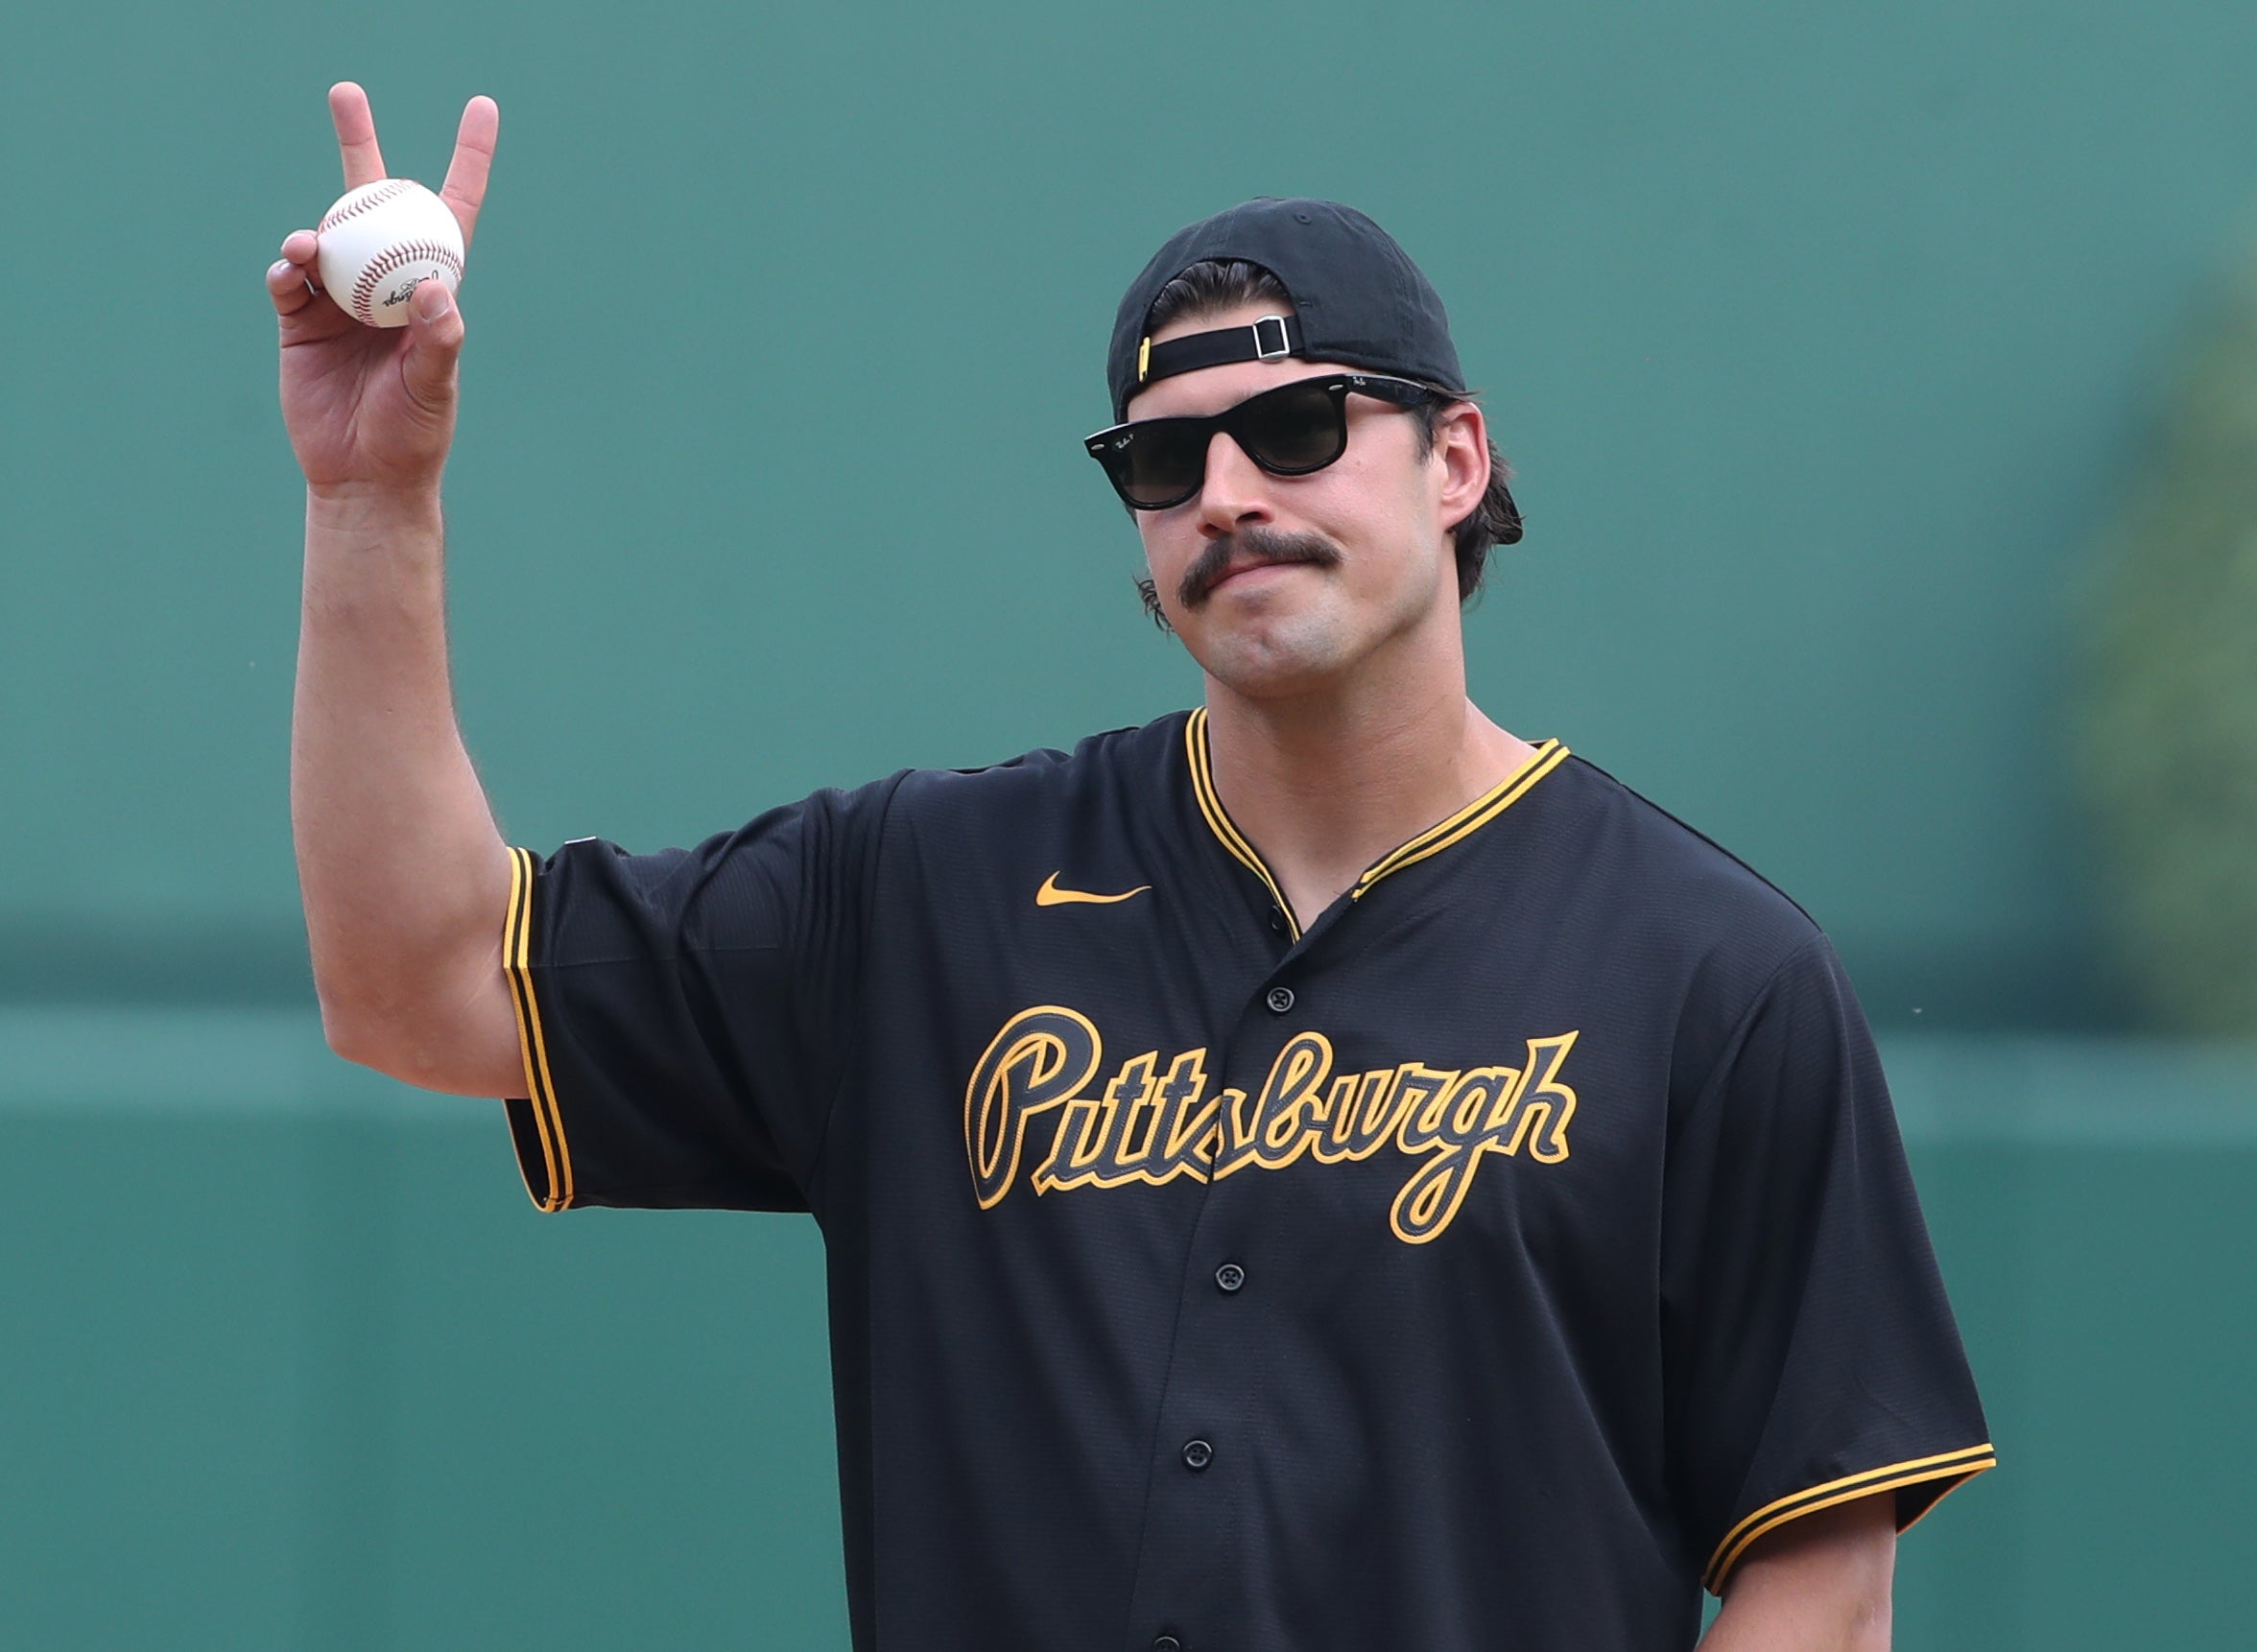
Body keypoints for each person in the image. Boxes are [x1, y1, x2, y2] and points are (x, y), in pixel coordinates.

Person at [273, 83, 1991, 1652]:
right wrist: (372, 503)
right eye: (1165, 459)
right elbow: (418, 976)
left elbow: (1823, 1576)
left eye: (1303, 425)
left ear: (1459, 461)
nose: (1230, 491)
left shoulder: (1713, 969)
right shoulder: (924, 896)